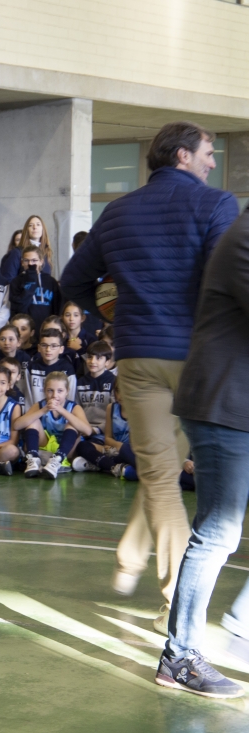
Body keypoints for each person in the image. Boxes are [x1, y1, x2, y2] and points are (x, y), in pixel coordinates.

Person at [60, 121, 239, 625]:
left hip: (138, 360)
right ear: (182, 155)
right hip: (200, 361)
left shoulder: (116, 212)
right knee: (167, 474)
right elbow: (225, 279)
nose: (212, 162)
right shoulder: (218, 204)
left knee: (160, 476)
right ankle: (178, 607)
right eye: (207, 153)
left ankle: (133, 557)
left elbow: (74, 281)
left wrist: (115, 314)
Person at [154, 206, 249, 698]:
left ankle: (241, 627)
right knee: (217, 532)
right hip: (222, 405)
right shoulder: (245, 239)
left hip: (236, 403)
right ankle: (181, 656)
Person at [14, 371, 92, 479]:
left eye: (60, 391)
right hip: (46, 446)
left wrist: (61, 410)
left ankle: (57, 459)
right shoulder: (40, 405)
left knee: (73, 424)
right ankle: (34, 459)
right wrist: (44, 410)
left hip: (68, 451)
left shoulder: (74, 407)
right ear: (44, 391)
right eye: (50, 390)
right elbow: (17, 425)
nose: (55, 395)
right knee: (33, 420)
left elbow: (88, 431)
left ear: (67, 391)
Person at [9, 246, 61, 333]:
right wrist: (31, 281)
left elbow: (57, 307)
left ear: (41, 262)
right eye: (26, 260)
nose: (30, 264)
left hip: (47, 328)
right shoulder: (16, 282)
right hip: (24, 329)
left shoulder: (51, 281)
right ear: (22, 262)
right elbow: (18, 308)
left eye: (34, 260)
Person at [22, 328, 76, 406]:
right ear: (39, 348)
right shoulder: (31, 367)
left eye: (53, 346)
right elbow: (27, 396)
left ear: (61, 349)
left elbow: (70, 398)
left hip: (60, 412)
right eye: (44, 345)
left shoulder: (67, 369)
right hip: (36, 411)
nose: (48, 349)